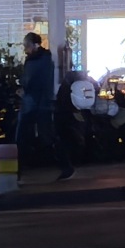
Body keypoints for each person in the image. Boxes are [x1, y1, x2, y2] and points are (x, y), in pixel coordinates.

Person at [19, 32, 73, 180]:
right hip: (40, 103)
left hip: (35, 103)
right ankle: (65, 166)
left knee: (23, 136)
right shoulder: (43, 59)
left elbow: (31, 81)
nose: (25, 49)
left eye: (27, 46)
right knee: (46, 136)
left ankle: (16, 171)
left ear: (35, 45)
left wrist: (23, 89)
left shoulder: (36, 61)